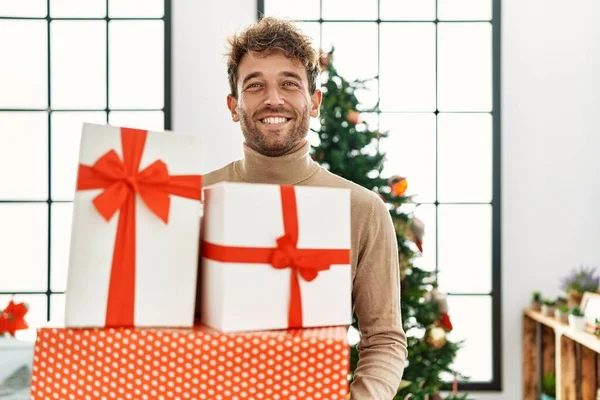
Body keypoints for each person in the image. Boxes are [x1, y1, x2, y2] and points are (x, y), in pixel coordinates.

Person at [201, 16, 408, 398]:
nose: (273, 99)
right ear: (234, 106)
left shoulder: (362, 209)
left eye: (290, 84)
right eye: (255, 85)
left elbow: (384, 339)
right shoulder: (193, 199)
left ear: (314, 102)